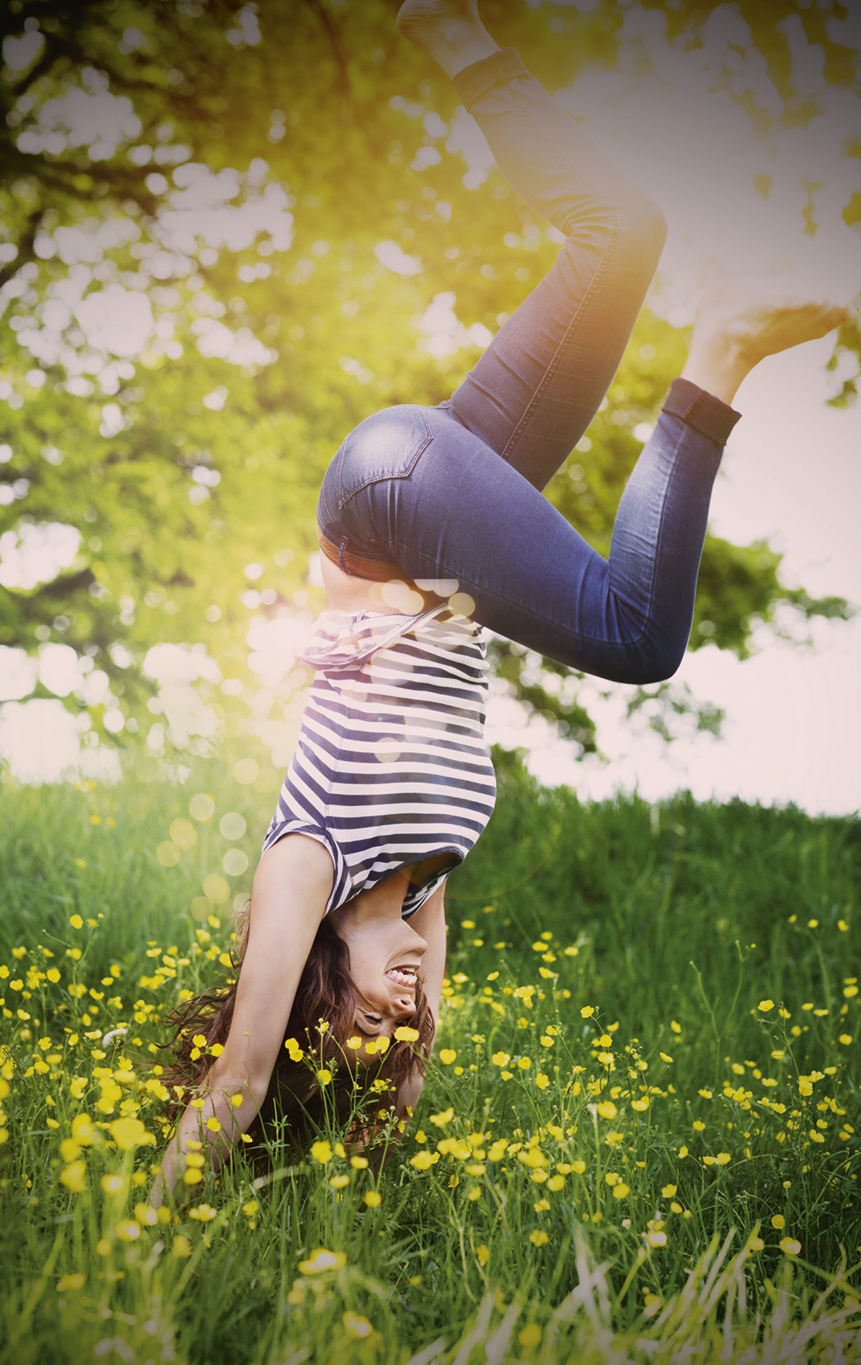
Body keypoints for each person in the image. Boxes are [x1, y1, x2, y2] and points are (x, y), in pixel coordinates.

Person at [153, 0, 852, 1198]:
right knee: (621, 236)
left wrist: (135, 1250)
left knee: (636, 636)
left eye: (366, 1025)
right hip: (429, 496)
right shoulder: (425, 884)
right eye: (399, 1025)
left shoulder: (305, 870)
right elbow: (416, 1060)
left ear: (318, 999)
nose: (400, 1009)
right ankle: (452, 30)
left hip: (388, 509)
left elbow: (241, 1083)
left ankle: (720, 355)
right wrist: (388, 1109)